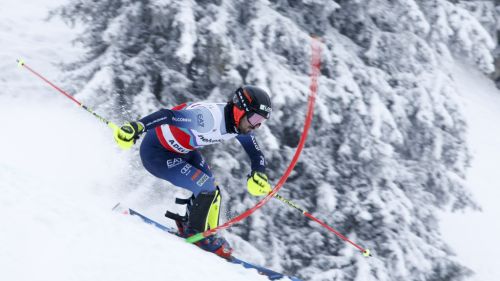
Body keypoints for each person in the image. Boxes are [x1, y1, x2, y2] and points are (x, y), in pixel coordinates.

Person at [113, 85, 273, 258]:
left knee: (214, 192)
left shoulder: (238, 124)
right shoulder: (207, 118)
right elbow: (168, 115)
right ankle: (197, 235)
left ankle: (202, 232)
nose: (256, 126)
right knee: (207, 188)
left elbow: (256, 153)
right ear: (240, 109)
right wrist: (137, 127)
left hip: (183, 151)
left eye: (261, 122)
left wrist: (259, 173)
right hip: (157, 154)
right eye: (255, 118)